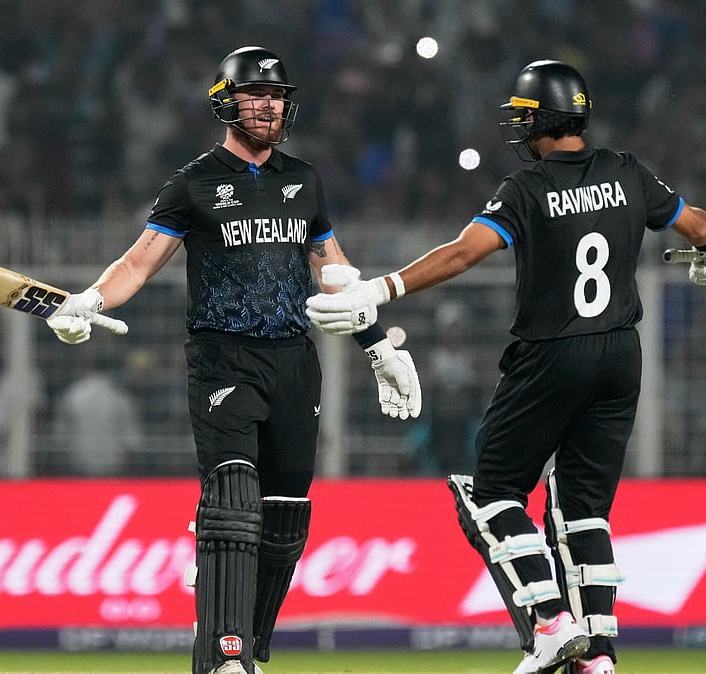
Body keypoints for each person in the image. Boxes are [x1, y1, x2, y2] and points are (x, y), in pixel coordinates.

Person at [305, 60, 706, 674]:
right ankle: (601, 657)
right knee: (584, 509)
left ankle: (549, 620)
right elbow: (699, 228)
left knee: (493, 492)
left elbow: (462, 254)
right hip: (621, 354)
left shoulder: (527, 188)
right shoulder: (626, 170)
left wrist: (381, 290)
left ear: (538, 119)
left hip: (552, 354)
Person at [42, 46, 421, 674]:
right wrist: (85, 301)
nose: (269, 105)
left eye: (276, 96)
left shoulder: (304, 180)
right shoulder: (193, 183)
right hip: (223, 359)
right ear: (226, 101)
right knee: (232, 500)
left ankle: (249, 648)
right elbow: (138, 262)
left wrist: (376, 343)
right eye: (255, 95)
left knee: (285, 523)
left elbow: (332, 270)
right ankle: (223, 655)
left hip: (295, 364)